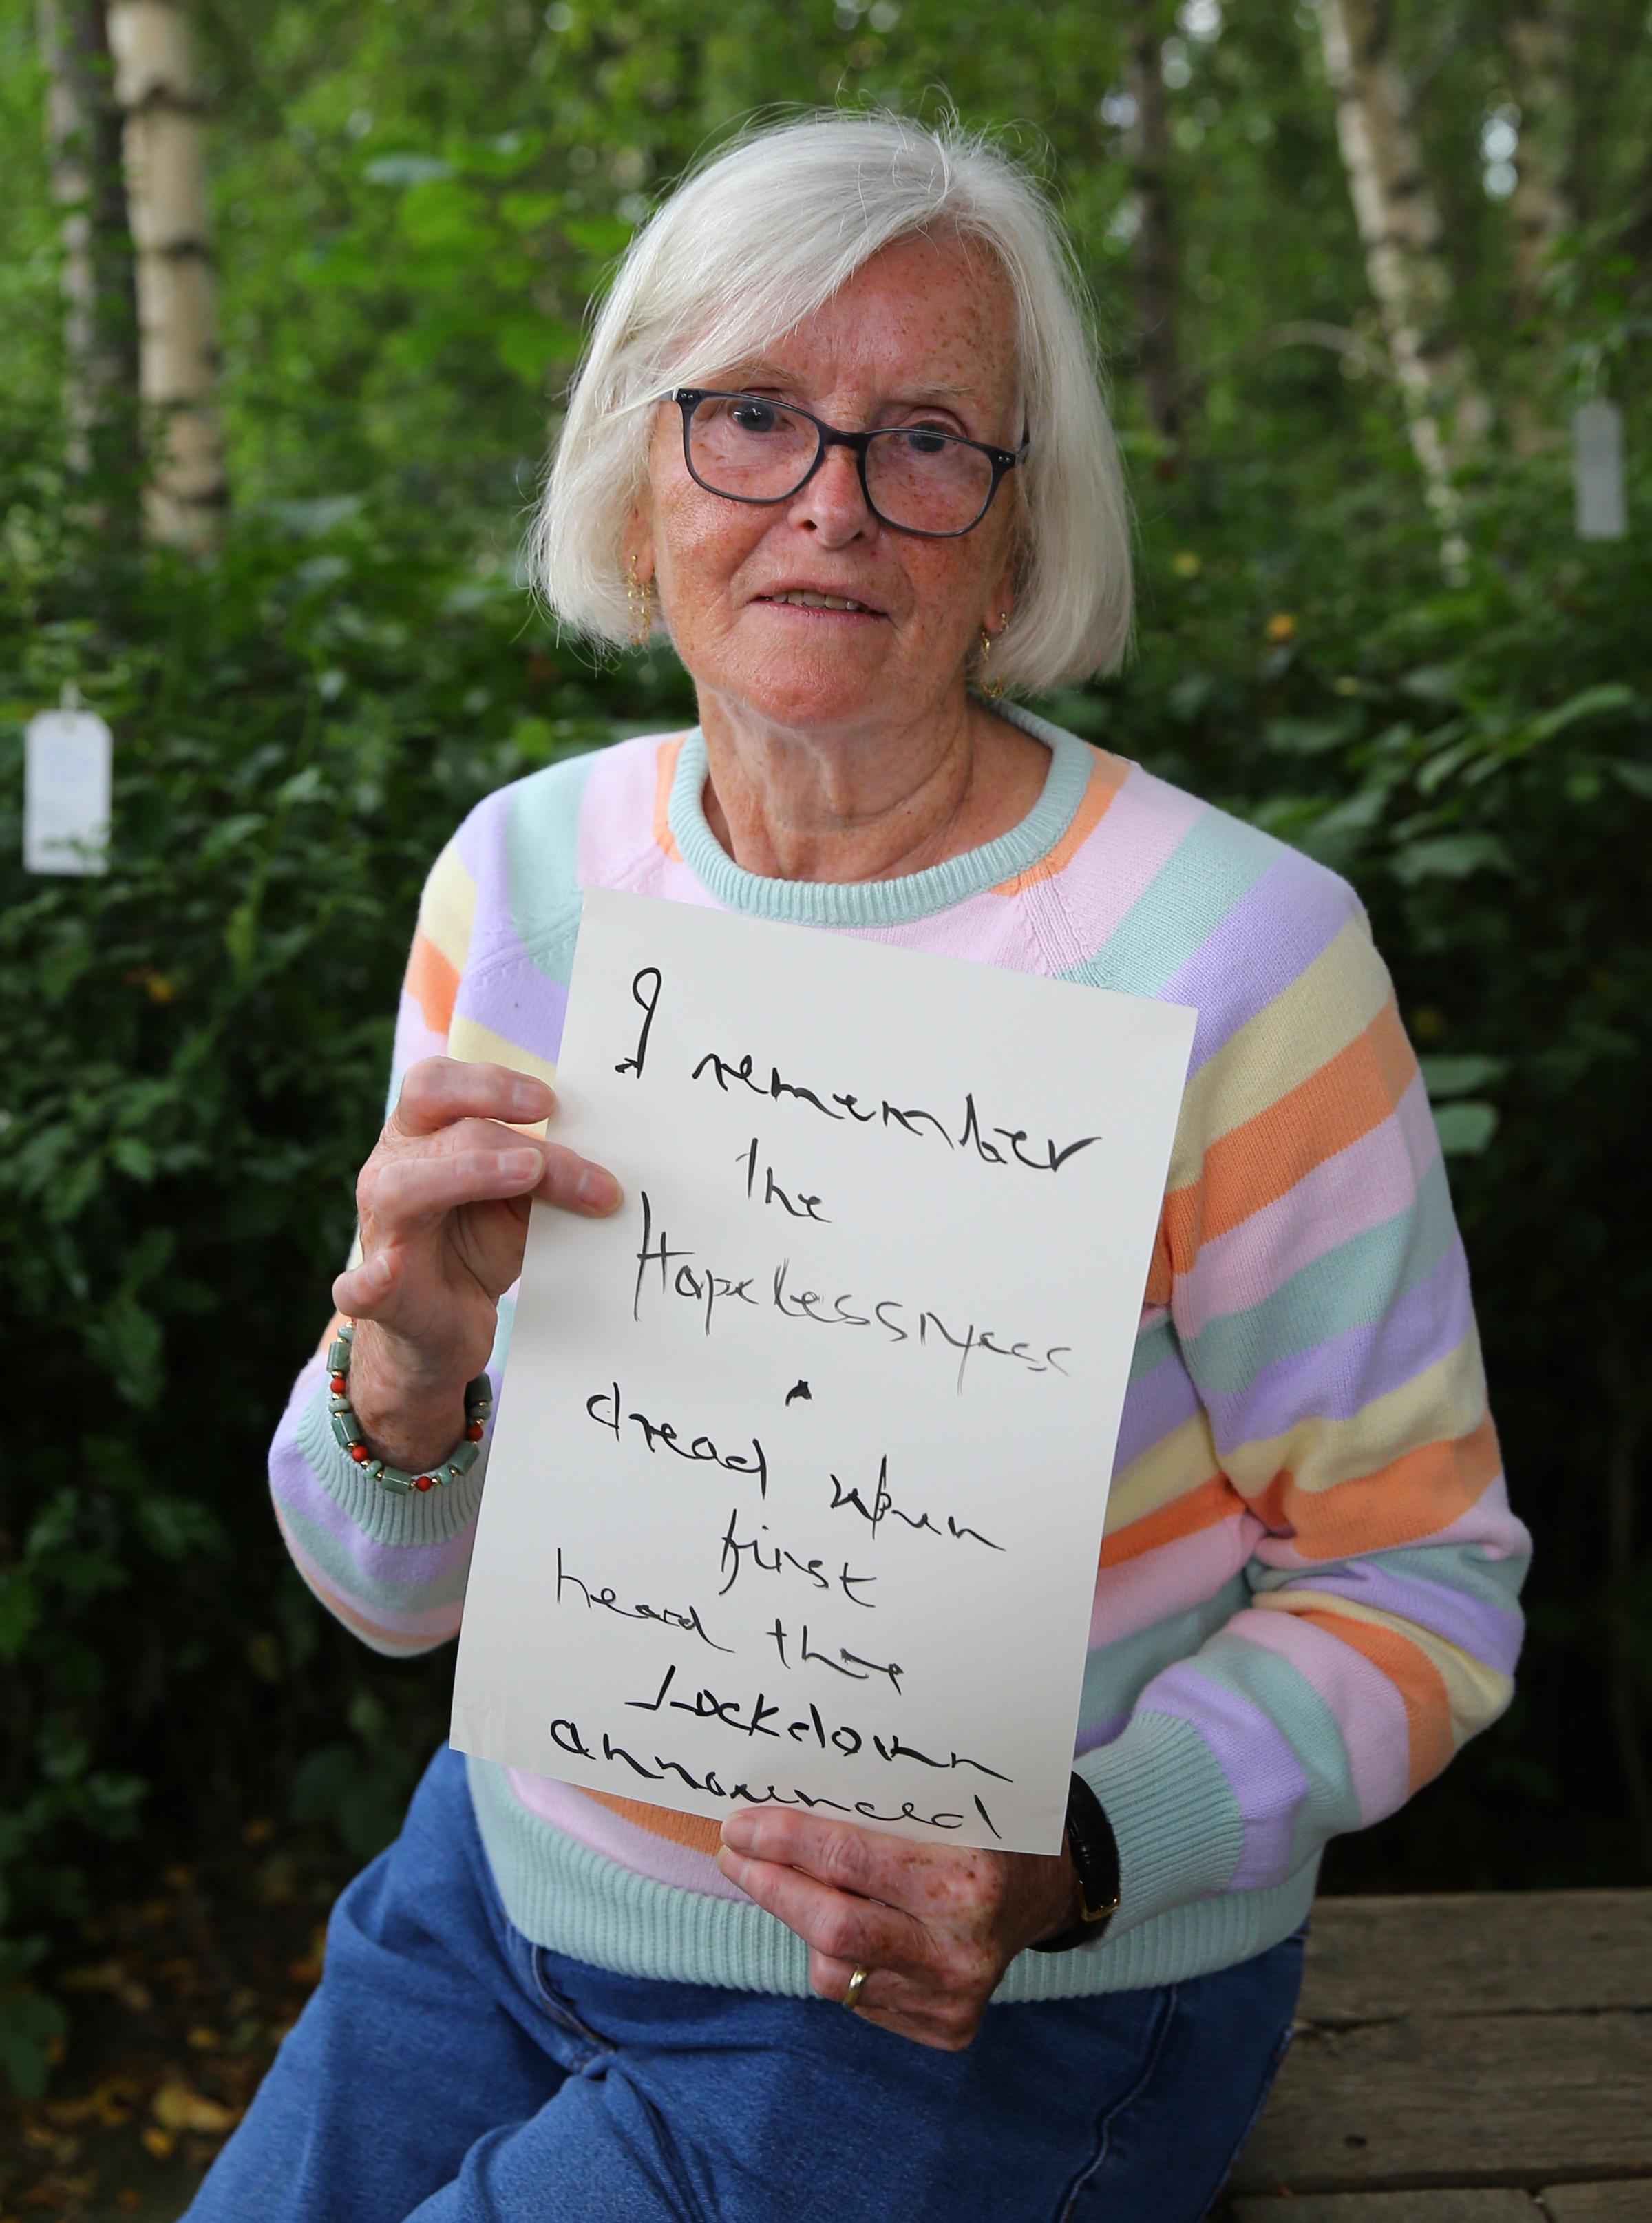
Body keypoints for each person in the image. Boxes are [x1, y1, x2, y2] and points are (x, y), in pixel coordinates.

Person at [188, 112, 1529, 2222]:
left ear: (1016, 533)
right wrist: (407, 1373)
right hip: (503, 1886)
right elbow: (389, 1596)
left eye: (926, 441)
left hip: (986, 2012)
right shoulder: (532, 883)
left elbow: (1424, 1581)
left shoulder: (1234, 958)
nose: (831, 502)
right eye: (750, 417)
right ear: (644, 481)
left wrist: (1087, 1844)